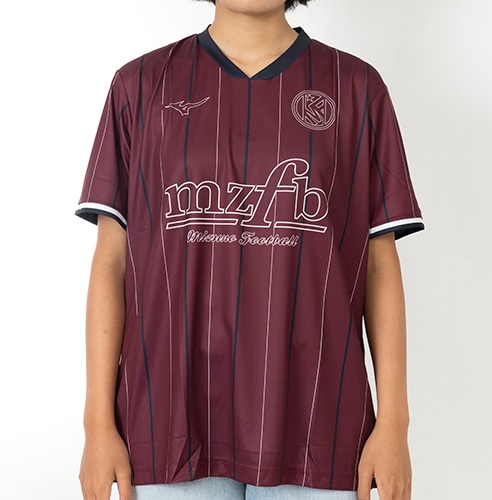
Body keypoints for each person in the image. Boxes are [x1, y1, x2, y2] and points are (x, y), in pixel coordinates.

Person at [76, 1, 424, 499]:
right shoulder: (141, 85)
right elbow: (111, 262)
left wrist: (394, 424)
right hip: (167, 420)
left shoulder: (356, 87)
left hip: (318, 423)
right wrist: (97, 425)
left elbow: (378, 264)